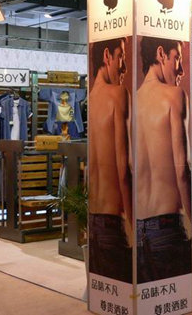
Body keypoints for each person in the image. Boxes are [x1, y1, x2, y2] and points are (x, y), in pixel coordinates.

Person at [136, 36, 192, 283]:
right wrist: (190, 220)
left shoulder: (133, 101)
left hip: (138, 225)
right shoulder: (173, 95)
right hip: (167, 225)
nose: (181, 70)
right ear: (161, 54)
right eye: (177, 58)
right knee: (172, 293)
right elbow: (182, 169)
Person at [88, 37, 132, 283]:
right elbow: (123, 167)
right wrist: (132, 224)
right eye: (121, 57)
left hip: (94, 219)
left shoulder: (91, 99)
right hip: (114, 221)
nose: (124, 67)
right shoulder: (117, 94)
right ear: (107, 56)